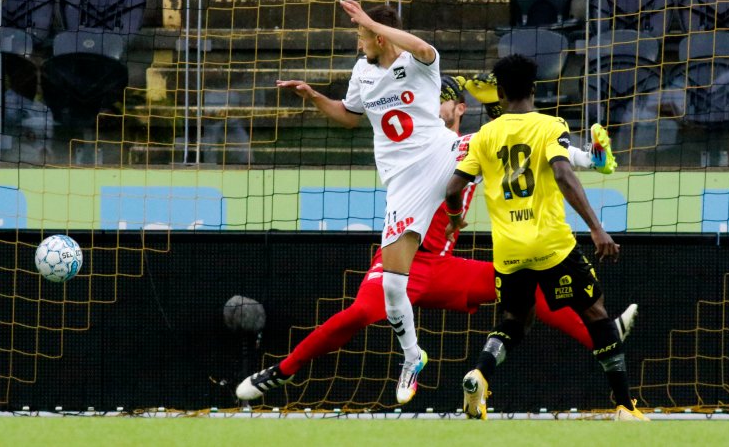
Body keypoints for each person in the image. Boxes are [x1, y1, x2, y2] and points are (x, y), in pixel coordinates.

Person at [236, 74, 635, 402]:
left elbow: (530, 143)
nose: (434, 106)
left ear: (460, 108)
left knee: (531, 291)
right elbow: (356, 116)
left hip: (441, 266)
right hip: (401, 261)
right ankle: (283, 372)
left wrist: (589, 157)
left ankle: (603, 334)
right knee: (358, 314)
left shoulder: (477, 142)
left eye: (443, 100)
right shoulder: (418, 140)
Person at [276, 0, 463, 404]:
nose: (359, 46)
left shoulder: (419, 62)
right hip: (401, 183)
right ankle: (412, 356)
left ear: (379, 35)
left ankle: (582, 155)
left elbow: (422, 47)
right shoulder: (362, 72)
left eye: (362, 37)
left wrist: (372, 22)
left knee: (501, 143)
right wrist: (312, 96)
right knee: (394, 288)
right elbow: (348, 116)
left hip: (439, 151)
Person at [445, 54, 648, 421]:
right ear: (535, 90)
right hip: (551, 245)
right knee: (596, 313)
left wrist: (456, 219)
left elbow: (453, 188)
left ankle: (479, 374)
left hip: (508, 251)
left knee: (514, 321)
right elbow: (563, 173)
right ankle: (625, 406)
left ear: (501, 93)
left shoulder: (485, 135)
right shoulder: (550, 125)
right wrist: (596, 227)